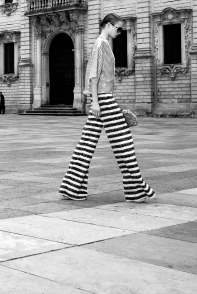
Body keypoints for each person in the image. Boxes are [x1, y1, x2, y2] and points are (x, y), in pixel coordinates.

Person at [59, 14, 155, 203]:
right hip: (104, 99)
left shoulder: (102, 44)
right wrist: (95, 102)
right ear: (109, 25)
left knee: (86, 144)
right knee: (124, 143)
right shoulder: (100, 45)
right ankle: (137, 190)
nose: (120, 31)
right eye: (118, 28)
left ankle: (72, 188)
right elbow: (94, 76)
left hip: (103, 98)